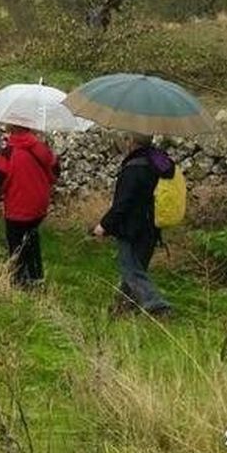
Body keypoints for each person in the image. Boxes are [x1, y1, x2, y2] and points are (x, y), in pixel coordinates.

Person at [93, 132, 173, 317]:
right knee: (137, 269)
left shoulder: (134, 167)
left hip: (132, 228)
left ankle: (157, 305)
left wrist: (104, 225)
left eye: (126, 138)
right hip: (152, 226)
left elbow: (123, 203)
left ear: (131, 142)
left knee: (131, 270)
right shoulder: (159, 164)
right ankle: (122, 307)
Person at [0, 124, 57, 287]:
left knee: (16, 244)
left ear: (11, 128)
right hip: (39, 205)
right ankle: (37, 277)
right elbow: (55, 172)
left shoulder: (7, 153)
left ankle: (19, 280)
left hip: (17, 206)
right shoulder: (41, 148)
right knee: (32, 237)